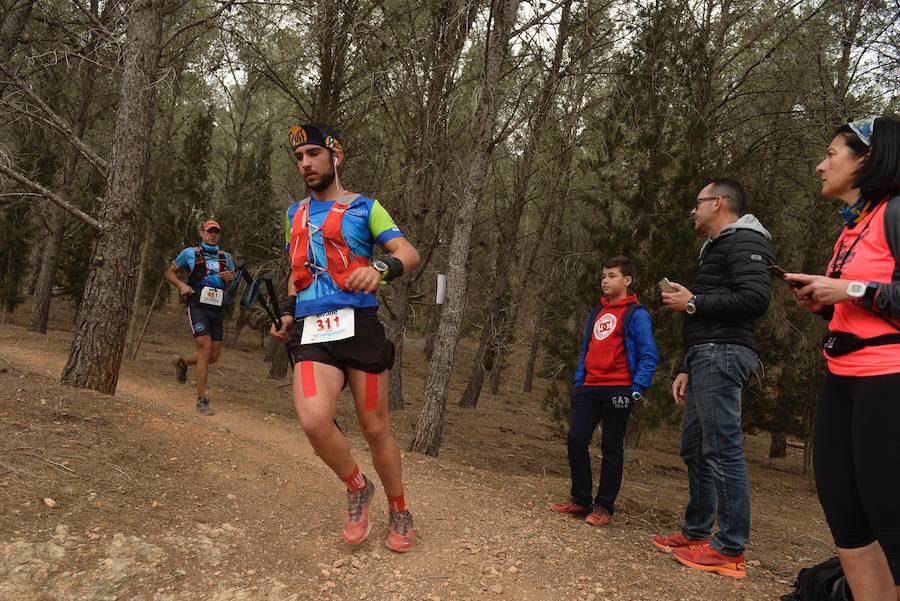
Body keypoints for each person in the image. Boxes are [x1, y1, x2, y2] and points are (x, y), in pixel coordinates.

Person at [270, 124, 421, 552]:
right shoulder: (293, 215)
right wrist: (286, 314)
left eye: (313, 154)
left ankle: (399, 509)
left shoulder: (365, 208)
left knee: (376, 428)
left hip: (360, 328)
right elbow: (297, 273)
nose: (305, 164)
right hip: (314, 332)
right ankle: (357, 486)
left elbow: (408, 254)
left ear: (335, 157)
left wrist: (379, 269)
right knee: (314, 420)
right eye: (299, 158)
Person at [785, 115, 900, 600]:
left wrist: (850, 288)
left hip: (887, 382)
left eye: (831, 153)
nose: (819, 166)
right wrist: (822, 300)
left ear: (867, 158)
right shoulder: (854, 225)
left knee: (890, 517)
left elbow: (871, 293)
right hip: (840, 378)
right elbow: (866, 303)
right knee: (845, 514)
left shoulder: (897, 212)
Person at [656, 178, 775, 579]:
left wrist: (693, 301)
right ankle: (696, 533)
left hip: (724, 352)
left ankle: (729, 547)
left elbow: (756, 298)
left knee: (722, 449)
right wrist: (684, 365)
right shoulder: (716, 248)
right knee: (694, 447)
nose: (693, 209)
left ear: (719, 203)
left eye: (698, 202)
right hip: (704, 354)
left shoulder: (746, 241)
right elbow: (703, 312)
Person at [549, 256, 658, 526]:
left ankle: (604, 507)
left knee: (611, 447)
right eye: (603, 276)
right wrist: (579, 384)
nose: (605, 281)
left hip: (619, 389)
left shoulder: (637, 315)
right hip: (589, 387)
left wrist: (637, 389)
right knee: (576, 438)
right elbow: (586, 351)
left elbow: (648, 355)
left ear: (627, 280)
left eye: (612, 276)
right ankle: (581, 499)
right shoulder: (595, 313)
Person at [165, 220, 235, 415]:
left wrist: (231, 278)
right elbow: (169, 273)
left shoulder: (225, 257)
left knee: (213, 356)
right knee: (205, 347)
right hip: (197, 305)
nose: (213, 235)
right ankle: (202, 400)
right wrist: (181, 286)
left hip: (217, 308)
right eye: (209, 231)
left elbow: (233, 278)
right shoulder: (190, 253)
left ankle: (183, 363)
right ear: (202, 233)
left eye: (216, 232)